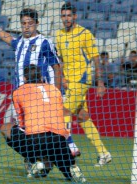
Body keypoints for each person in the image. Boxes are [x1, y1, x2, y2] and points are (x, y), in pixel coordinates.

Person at [0, 8, 80, 156]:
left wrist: (57, 92)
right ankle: (36, 161)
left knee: (43, 127)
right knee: (25, 130)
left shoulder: (45, 43)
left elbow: (57, 68)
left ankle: (68, 146)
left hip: (38, 94)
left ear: (37, 24)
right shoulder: (19, 42)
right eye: (23, 23)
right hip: (20, 94)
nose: (26, 26)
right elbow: (7, 37)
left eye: (30, 23)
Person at [0, 64, 86, 182]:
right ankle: (72, 169)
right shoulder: (55, 89)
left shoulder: (18, 92)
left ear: (24, 79)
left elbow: (21, 123)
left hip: (36, 139)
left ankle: (35, 161)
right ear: (41, 77)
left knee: (5, 128)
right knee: (66, 169)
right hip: (59, 139)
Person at [55, 2, 112, 167]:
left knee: (63, 110)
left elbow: (95, 58)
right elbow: (61, 60)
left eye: (69, 15)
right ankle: (104, 153)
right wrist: (63, 78)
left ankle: (68, 147)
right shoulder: (59, 35)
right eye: (63, 16)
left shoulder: (85, 34)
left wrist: (100, 82)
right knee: (82, 116)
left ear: (75, 16)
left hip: (82, 79)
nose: (66, 19)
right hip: (69, 81)